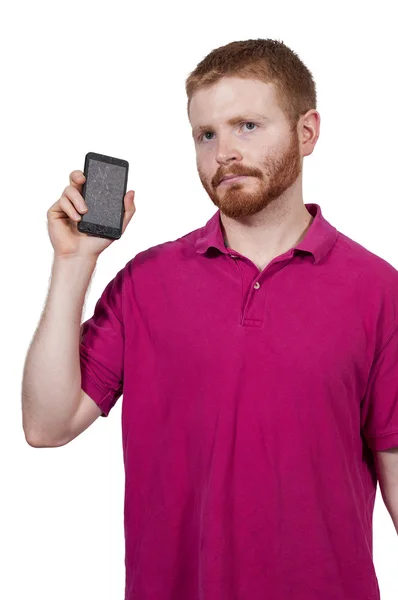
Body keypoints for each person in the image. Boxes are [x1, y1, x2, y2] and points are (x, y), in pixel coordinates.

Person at [21, 38, 398, 600]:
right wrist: (74, 262)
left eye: (247, 125)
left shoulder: (378, 289)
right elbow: (46, 425)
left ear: (306, 132)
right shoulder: (145, 284)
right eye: (206, 134)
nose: (224, 151)